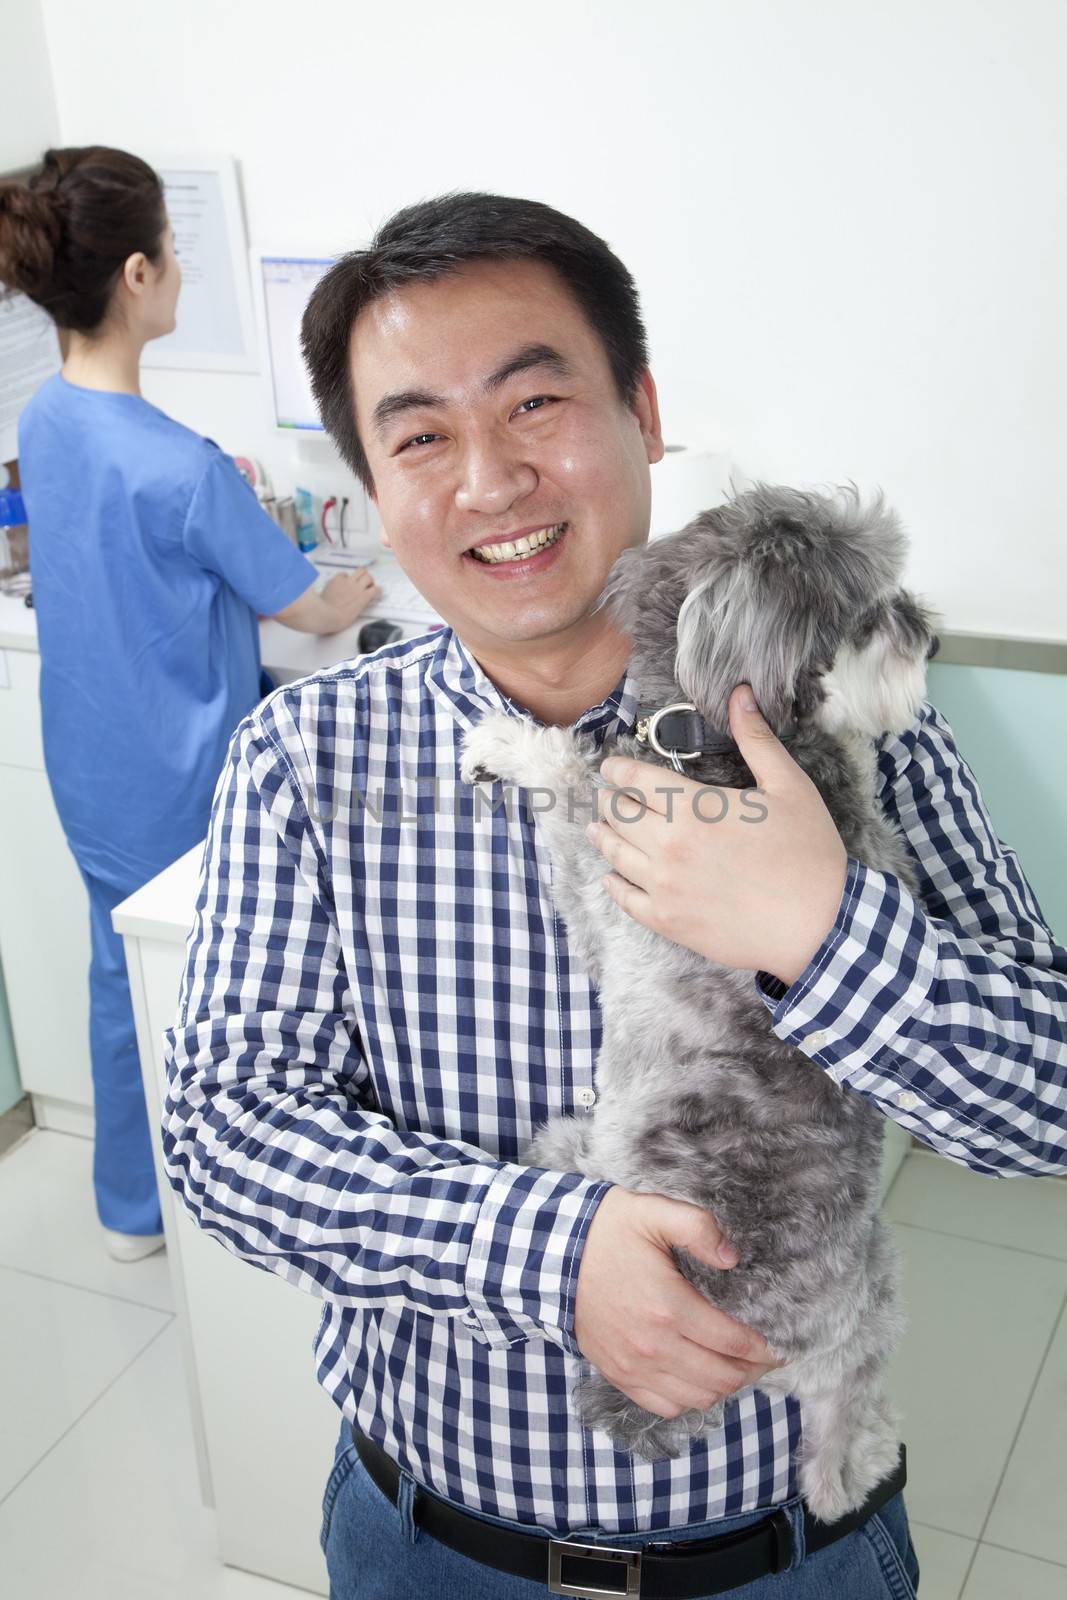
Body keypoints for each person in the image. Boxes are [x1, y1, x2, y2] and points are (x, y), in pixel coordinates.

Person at [161, 193, 1067, 1598]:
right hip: (431, 1544)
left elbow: (1048, 1105)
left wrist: (821, 939)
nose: (489, 481)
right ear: (369, 483)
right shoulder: (307, 755)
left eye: (534, 402)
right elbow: (225, 1134)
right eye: (419, 436)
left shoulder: (840, 719)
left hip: (784, 1555)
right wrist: (547, 1248)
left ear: (640, 410)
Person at [0, 147, 380, 1263]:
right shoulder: (184, 467)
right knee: (208, 993)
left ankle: (129, 1204)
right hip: (182, 778)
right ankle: (229, 1207)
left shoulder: (43, 419)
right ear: (135, 275)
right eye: (169, 249)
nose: (176, 267)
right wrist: (355, 585)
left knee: (117, 972)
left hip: (88, 758)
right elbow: (308, 605)